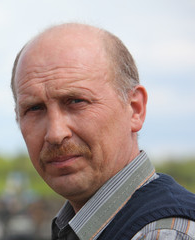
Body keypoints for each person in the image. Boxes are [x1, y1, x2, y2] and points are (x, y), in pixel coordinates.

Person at [10, 23, 195, 240]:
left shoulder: (165, 233)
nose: (55, 133)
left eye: (76, 101)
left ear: (135, 109)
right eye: (34, 108)